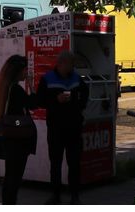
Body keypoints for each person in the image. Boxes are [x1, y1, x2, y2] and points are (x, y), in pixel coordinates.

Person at [37, 51, 89, 205]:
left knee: (74, 163)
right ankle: (55, 196)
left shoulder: (77, 79)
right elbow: (40, 100)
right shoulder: (47, 79)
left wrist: (77, 104)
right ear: (61, 64)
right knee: (56, 163)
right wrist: (56, 99)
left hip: (74, 127)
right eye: (71, 64)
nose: (73, 67)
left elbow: (85, 95)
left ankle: (74, 196)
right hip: (56, 128)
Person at [0, 55, 37, 205]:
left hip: (8, 137)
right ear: (18, 71)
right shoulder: (16, 89)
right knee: (15, 177)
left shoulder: (5, 87)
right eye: (25, 70)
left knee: (10, 175)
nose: (27, 73)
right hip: (17, 138)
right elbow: (33, 104)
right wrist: (31, 86)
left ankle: (8, 203)